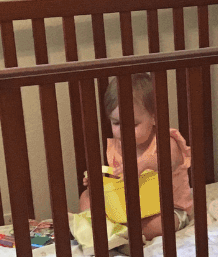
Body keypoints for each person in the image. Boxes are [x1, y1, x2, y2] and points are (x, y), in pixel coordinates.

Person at [79, 73, 193, 242]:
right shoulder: (117, 146)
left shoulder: (165, 141)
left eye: (132, 124)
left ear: (154, 117)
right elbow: (117, 179)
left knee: (158, 224)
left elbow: (172, 160)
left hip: (167, 208)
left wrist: (144, 163)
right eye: (116, 123)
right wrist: (100, 182)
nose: (123, 131)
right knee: (87, 196)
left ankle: (118, 233)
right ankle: (93, 228)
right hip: (127, 209)